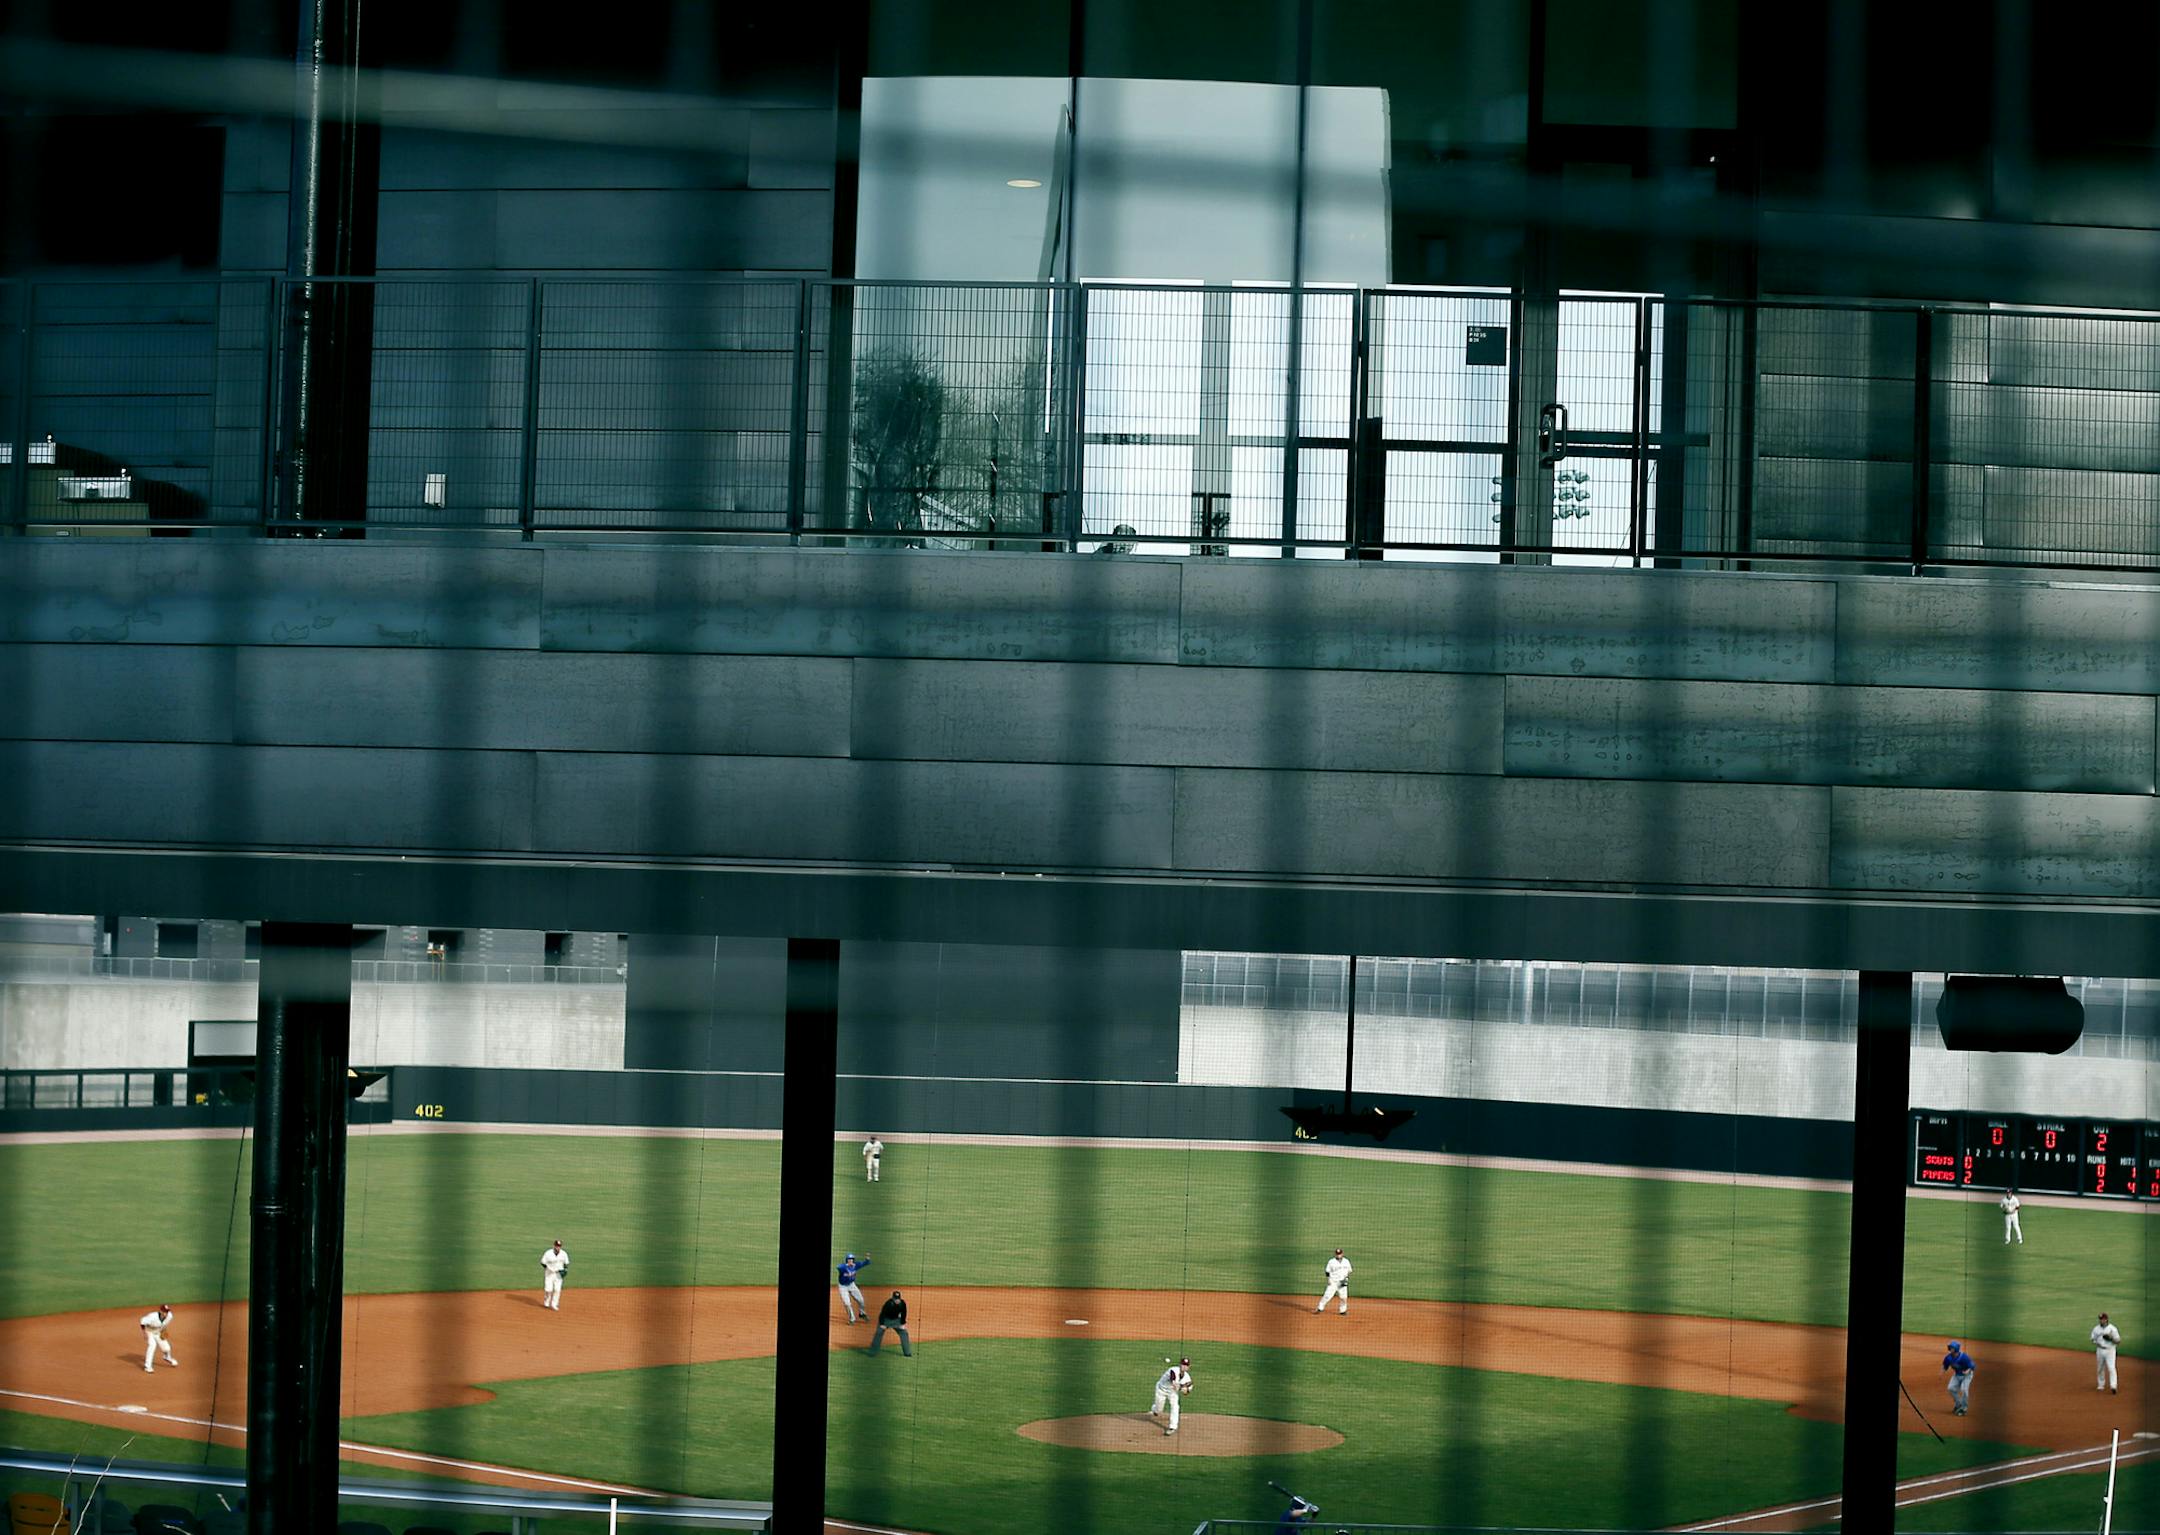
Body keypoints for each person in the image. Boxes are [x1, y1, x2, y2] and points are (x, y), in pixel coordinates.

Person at [1150, 1357, 1192, 1435]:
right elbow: (1174, 1384)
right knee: (1159, 1409)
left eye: (1186, 1365)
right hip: (1161, 1390)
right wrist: (1182, 1388)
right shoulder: (1173, 1370)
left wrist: (1186, 1390)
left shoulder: (1187, 1378)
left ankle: (1173, 1427)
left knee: (1175, 1406)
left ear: (1188, 1367)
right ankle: (1155, 1410)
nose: (1184, 1367)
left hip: (1172, 1393)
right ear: (1180, 1365)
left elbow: (1187, 1392)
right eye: (1183, 1364)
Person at [869, 1290, 912, 1357]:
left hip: (896, 1320)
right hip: (886, 1320)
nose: (897, 1300)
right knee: (879, 1332)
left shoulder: (902, 1303)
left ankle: (907, 1353)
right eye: (895, 1299)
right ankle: (873, 1352)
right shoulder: (888, 1304)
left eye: (898, 1299)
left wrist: (902, 1323)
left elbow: (904, 1313)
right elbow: (882, 1314)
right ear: (893, 1298)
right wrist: (882, 1324)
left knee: (904, 1332)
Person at [139, 1304, 177, 1373]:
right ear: (161, 1311)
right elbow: (142, 1322)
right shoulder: (152, 1317)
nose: (166, 1313)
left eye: (167, 1311)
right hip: (149, 1331)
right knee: (152, 1345)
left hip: (158, 1332)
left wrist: (163, 1331)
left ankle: (167, 1357)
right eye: (164, 1311)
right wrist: (144, 1333)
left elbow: (164, 1325)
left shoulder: (170, 1316)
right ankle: (147, 1366)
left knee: (167, 1348)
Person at [1942, 1340, 1975, 1416]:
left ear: (1956, 1349)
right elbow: (1945, 1365)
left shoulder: (1964, 1357)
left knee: (1964, 1390)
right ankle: (1958, 1404)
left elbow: (1972, 1365)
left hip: (1967, 1376)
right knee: (1950, 1388)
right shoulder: (1948, 1357)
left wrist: (1967, 1370)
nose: (1950, 1349)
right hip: (1957, 1375)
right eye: (1950, 1347)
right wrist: (1942, 1371)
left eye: (1952, 1347)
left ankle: (1964, 1409)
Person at [837, 1252, 871, 1323]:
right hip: (843, 1287)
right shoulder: (843, 1267)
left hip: (852, 1285)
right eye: (849, 1259)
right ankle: (852, 1319)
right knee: (847, 1303)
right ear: (847, 1260)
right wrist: (846, 1266)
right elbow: (838, 1267)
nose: (850, 1261)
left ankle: (862, 1313)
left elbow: (866, 1263)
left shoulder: (855, 1266)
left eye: (852, 1259)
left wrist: (867, 1258)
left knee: (861, 1300)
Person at [1316, 1248, 1352, 1315]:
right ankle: (1320, 1308)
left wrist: (1346, 1279)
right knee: (1327, 1296)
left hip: (1342, 1282)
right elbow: (1327, 1271)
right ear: (1335, 1254)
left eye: (1340, 1254)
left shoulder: (1346, 1261)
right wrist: (1328, 1279)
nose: (1338, 1255)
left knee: (1343, 1297)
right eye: (1337, 1254)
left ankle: (1343, 1311)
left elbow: (1349, 1271)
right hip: (1333, 1282)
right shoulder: (1331, 1261)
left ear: (1342, 1254)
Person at [2093, 1312, 2122, 1393]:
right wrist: (2097, 1343)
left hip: (2110, 1350)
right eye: (2100, 1319)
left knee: (2111, 1368)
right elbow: (2093, 1339)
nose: (2101, 1321)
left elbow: (2118, 1341)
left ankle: (2113, 1386)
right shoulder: (2096, 1329)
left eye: (2102, 1319)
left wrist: (2111, 1339)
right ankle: (2101, 1385)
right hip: (2100, 1350)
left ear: (2106, 1320)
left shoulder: (2112, 1329)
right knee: (2100, 1368)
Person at [540, 1240, 570, 1311]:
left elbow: (566, 1263)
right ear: (554, 1246)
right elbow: (542, 1262)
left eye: (559, 1246)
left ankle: (554, 1304)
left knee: (557, 1289)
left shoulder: (564, 1254)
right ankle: (546, 1301)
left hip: (558, 1274)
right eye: (556, 1246)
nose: (558, 1247)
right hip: (549, 1273)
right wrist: (547, 1268)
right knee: (548, 1289)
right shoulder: (548, 1253)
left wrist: (565, 1270)